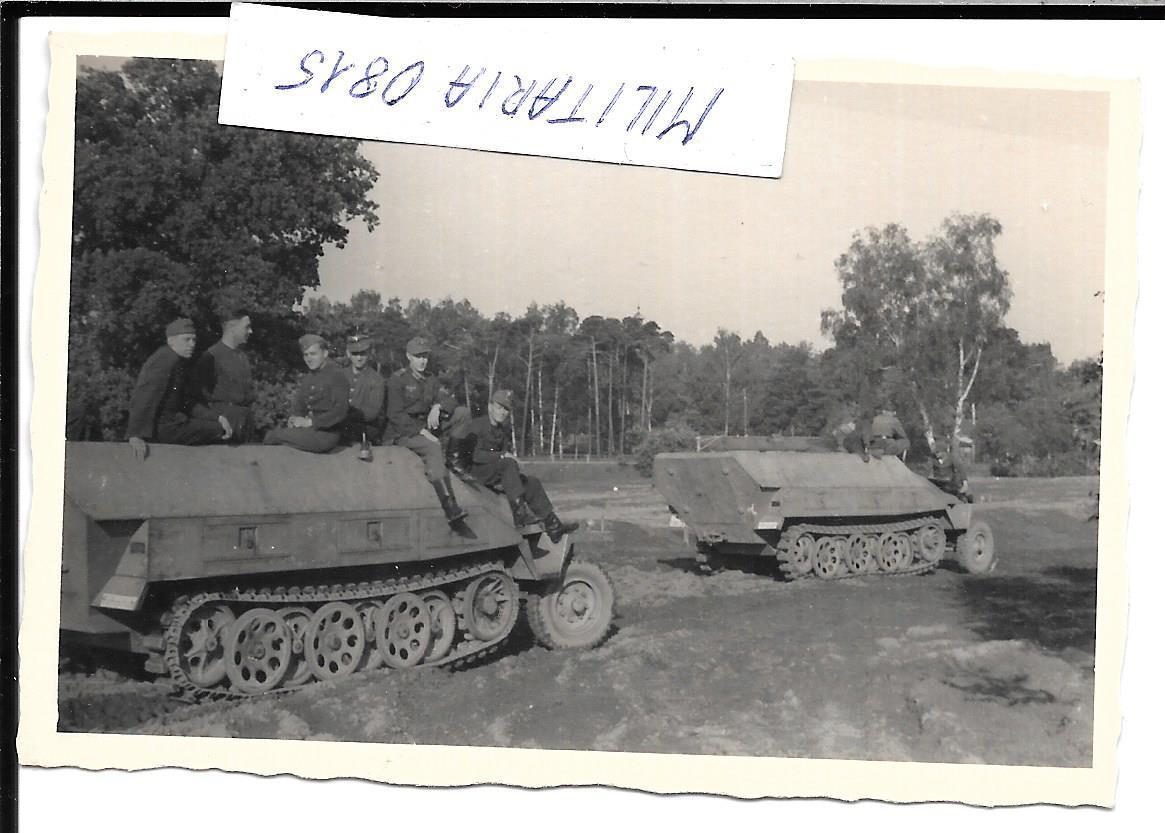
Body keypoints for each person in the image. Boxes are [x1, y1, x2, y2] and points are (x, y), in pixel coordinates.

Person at [448, 389, 579, 543]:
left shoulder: (502, 431)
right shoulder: (477, 426)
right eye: (499, 407)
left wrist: (509, 464)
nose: (503, 412)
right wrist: (502, 456)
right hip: (476, 472)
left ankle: (554, 526)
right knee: (508, 463)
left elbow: (504, 459)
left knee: (531, 482)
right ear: (490, 406)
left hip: (493, 472)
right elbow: (475, 455)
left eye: (506, 409)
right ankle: (520, 514)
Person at [383, 336, 467, 524]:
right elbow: (395, 415)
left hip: (426, 425)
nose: (422, 361)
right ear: (408, 356)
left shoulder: (431, 379)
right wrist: (423, 431)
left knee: (462, 413)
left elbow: (450, 399)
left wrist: (438, 406)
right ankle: (449, 505)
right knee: (433, 447)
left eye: (425, 356)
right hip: (404, 432)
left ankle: (454, 461)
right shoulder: (397, 380)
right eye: (418, 356)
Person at [126, 317, 232, 461]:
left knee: (219, 428)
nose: (192, 344)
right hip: (165, 428)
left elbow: (186, 402)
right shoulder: (164, 360)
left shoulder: (176, 361)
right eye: (186, 340)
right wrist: (135, 434)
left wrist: (217, 417)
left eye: (194, 340)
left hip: (172, 425)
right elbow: (144, 395)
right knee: (220, 431)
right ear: (171, 341)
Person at [262, 334, 351, 453]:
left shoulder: (336, 376)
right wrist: (294, 417)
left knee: (273, 436)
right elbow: (300, 404)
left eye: (313, 354)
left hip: (326, 434)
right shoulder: (309, 377)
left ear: (325, 353)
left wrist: (310, 422)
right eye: (306, 355)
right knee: (273, 436)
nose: (309, 359)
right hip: (311, 431)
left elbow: (340, 411)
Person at [191, 307, 255, 442]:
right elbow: (198, 397)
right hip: (224, 422)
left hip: (245, 421)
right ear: (231, 327)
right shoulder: (211, 356)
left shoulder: (242, 356)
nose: (250, 331)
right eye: (247, 327)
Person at [342, 333, 387, 460]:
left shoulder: (376, 379)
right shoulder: (340, 375)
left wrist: (341, 414)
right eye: (355, 354)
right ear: (348, 354)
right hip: (341, 423)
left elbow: (372, 413)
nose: (359, 358)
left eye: (363, 354)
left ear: (369, 354)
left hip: (364, 428)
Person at [930, 436, 973, 502]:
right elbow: (928, 470)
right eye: (935, 452)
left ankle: (964, 496)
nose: (936, 454)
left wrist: (965, 484)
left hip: (951, 483)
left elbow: (961, 468)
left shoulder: (952, 458)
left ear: (944, 451)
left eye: (938, 452)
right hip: (939, 483)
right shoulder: (934, 460)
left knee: (956, 484)